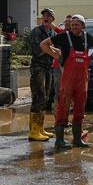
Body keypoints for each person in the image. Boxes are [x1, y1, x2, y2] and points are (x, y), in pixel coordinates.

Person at [41, 15, 93, 149]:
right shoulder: (64, 36)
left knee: (79, 109)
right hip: (68, 81)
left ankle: (77, 140)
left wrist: (91, 57)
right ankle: (59, 141)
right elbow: (44, 44)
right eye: (72, 24)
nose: (74, 27)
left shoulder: (87, 37)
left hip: (82, 82)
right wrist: (56, 55)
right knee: (63, 108)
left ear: (83, 26)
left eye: (77, 24)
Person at [27, 8, 57, 141]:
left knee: (45, 98)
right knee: (38, 97)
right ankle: (33, 131)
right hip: (38, 67)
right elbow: (38, 49)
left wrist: (51, 49)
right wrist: (54, 51)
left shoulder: (53, 32)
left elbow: (52, 48)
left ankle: (40, 128)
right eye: (44, 15)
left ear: (52, 19)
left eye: (49, 16)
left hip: (48, 68)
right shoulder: (36, 31)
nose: (46, 17)